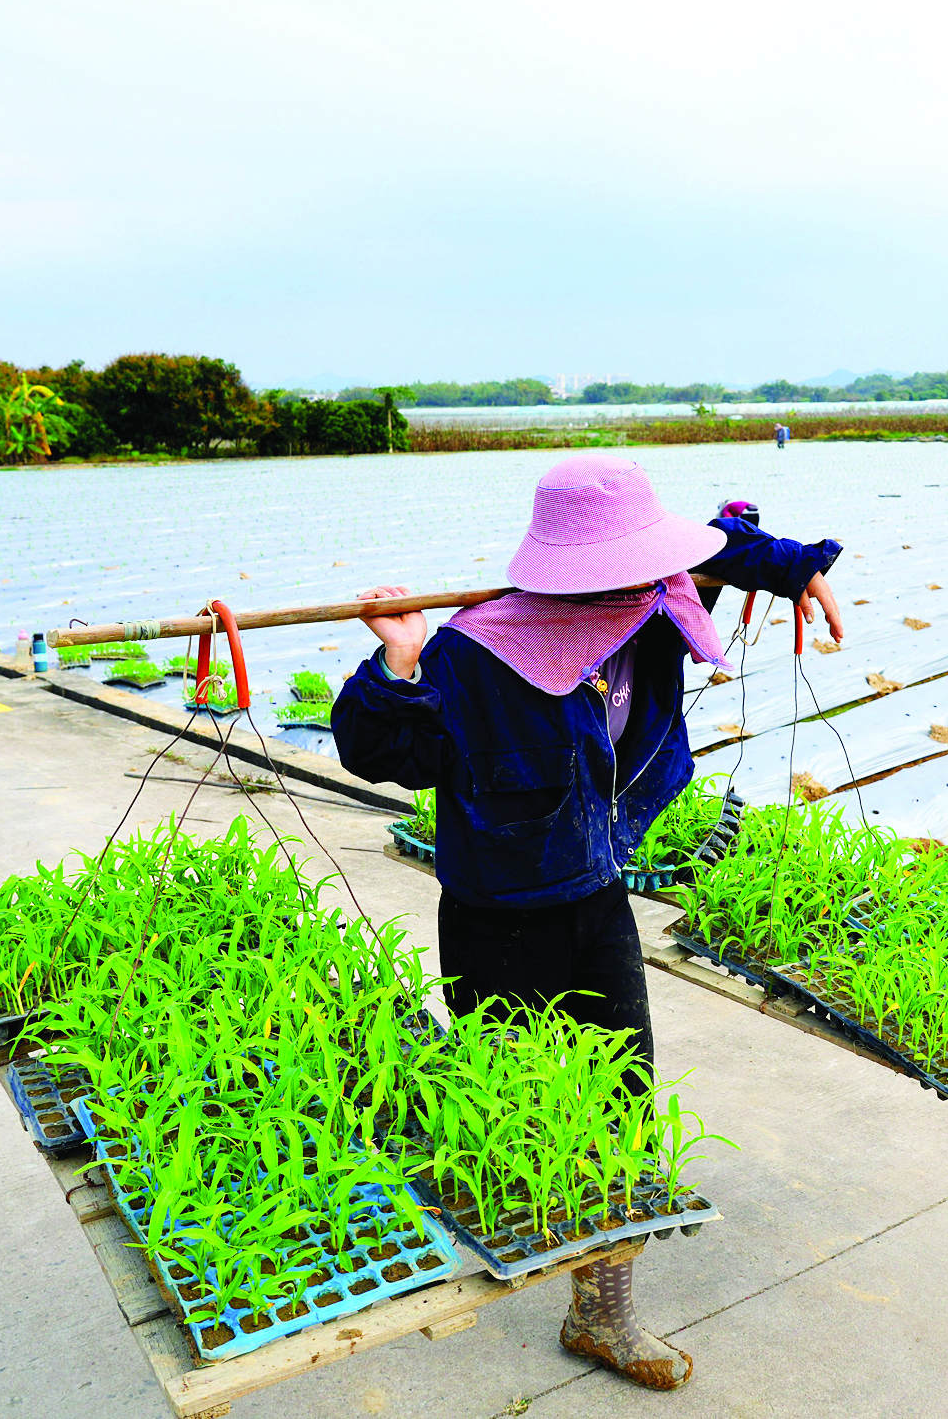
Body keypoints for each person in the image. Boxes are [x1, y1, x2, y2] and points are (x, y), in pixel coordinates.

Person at [330, 453, 842, 1391]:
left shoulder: (650, 605)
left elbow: (726, 549)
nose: (660, 575)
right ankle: (518, 1249)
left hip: (596, 900)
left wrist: (798, 564)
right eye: (638, 562)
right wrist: (397, 658)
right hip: (496, 919)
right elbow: (377, 752)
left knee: (619, 1103)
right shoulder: (475, 652)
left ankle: (600, 1314)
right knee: (520, 1111)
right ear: (579, 571)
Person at [700, 500, 761, 615]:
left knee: (731, 529)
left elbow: (728, 523)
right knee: (750, 531)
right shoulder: (735, 504)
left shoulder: (726, 508)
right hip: (753, 513)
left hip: (745, 513)